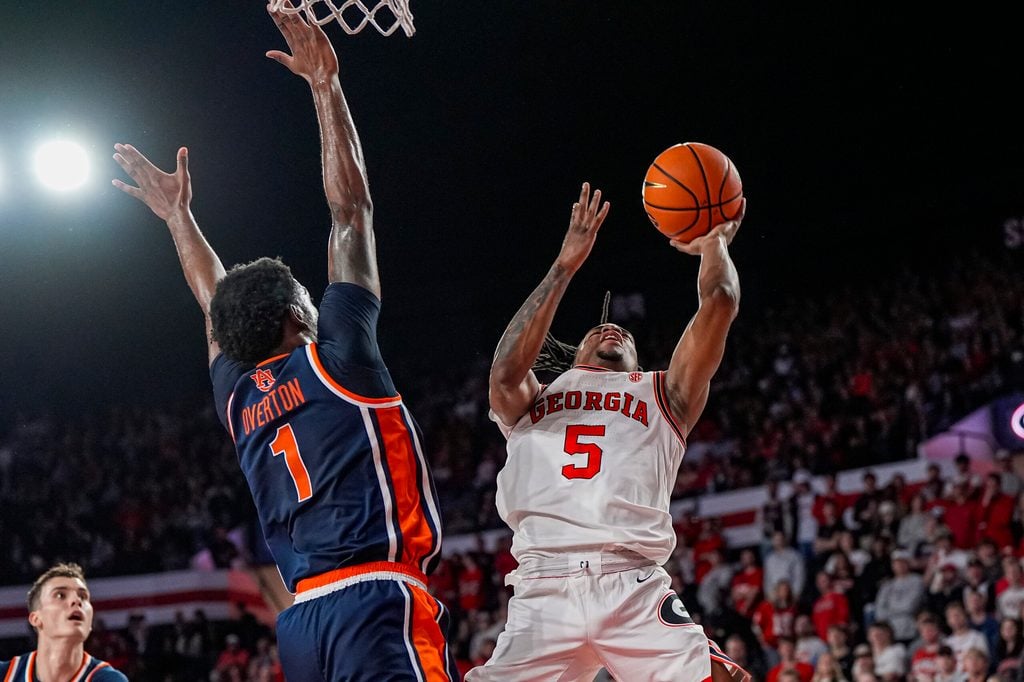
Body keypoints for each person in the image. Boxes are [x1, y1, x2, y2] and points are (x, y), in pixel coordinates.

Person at [112, 7, 457, 681]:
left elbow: (216, 304)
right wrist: (326, 88)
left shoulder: (239, 400)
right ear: (303, 313)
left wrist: (179, 219)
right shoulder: (340, 361)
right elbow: (350, 212)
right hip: (376, 597)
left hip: (301, 624)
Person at [466, 182, 749, 681]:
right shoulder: (535, 397)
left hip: (631, 583)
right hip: (543, 589)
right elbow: (504, 371)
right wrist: (564, 266)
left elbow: (720, 302)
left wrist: (714, 242)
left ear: (638, 360)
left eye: (625, 335)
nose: (611, 330)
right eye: (595, 331)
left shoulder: (665, 393)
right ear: (574, 355)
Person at [0, 563, 128, 681]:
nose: (77, 601)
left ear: (90, 623)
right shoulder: (5, 674)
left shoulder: (108, 679)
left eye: (83, 596)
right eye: (60, 595)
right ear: (36, 619)